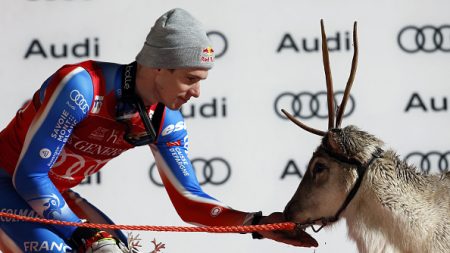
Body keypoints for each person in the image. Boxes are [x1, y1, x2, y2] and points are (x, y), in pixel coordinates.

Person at [0, 8, 317, 253]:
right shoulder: (82, 87)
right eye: (190, 79)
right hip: (8, 184)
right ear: (157, 67)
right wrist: (79, 231)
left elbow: (189, 201)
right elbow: (29, 175)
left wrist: (257, 224)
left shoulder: (166, 120)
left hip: (53, 195)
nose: (196, 93)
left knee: (115, 246)